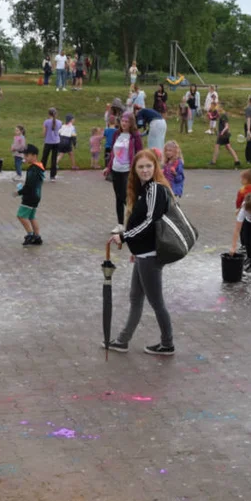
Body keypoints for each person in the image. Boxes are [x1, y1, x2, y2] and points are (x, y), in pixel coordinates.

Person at [104, 149, 175, 356]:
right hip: (143, 254)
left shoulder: (155, 189)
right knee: (135, 298)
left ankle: (167, 343)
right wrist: (135, 248)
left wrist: (124, 237)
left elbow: (151, 222)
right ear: (134, 169)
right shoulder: (146, 189)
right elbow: (143, 223)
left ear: (155, 168)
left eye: (148, 166)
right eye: (141, 167)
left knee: (156, 302)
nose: (145, 170)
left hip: (151, 255)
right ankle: (123, 340)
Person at [104, 112, 143, 233]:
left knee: (127, 197)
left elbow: (140, 153)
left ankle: (136, 220)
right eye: (122, 121)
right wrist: (108, 167)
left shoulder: (134, 136)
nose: (124, 123)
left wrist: (138, 168)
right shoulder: (117, 134)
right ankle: (120, 224)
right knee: (118, 197)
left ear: (131, 123)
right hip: (116, 169)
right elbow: (112, 153)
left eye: (127, 121)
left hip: (128, 170)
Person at [16, 145, 45, 245]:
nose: (25, 158)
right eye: (24, 155)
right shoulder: (39, 167)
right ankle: (37, 236)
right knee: (31, 217)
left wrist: (19, 192)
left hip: (30, 197)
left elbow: (29, 186)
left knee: (20, 215)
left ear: (34, 155)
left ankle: (30, 235)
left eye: (27, 155)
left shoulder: (33, 169)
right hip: (36, 196)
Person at [42, 107, 62, 181]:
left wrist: (44, 136)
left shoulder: (46, 122)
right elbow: (59, 131)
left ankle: (41, 174)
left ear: (48, 114)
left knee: (44, 158)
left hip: (48, 142)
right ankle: (52, 176)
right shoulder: (60, 122)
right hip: (56, 142)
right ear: (56, 114)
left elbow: (44, 133)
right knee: (54, 159)